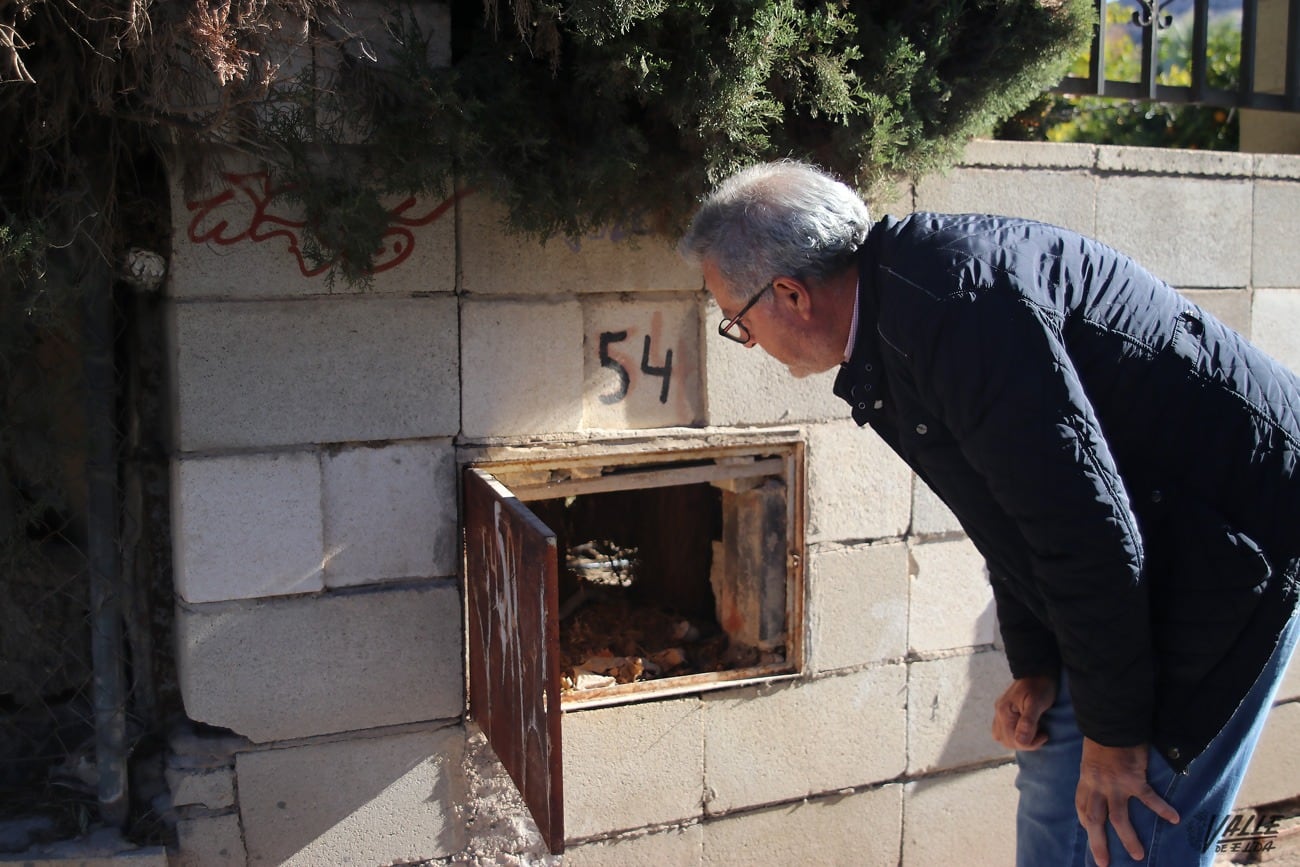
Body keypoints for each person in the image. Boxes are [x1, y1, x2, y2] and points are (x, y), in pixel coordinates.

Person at [679, 160, 1300, 867]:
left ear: (790, 294)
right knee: (1058, 802)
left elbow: (1084, 530)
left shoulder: (954, 311)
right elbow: (1010, 513)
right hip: (1141, 554)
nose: (747, 341)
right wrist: (1036, 663)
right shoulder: (895, 312)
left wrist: (1117, 736)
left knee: (1122, 828)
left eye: (738, 320)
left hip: (1229, 544)